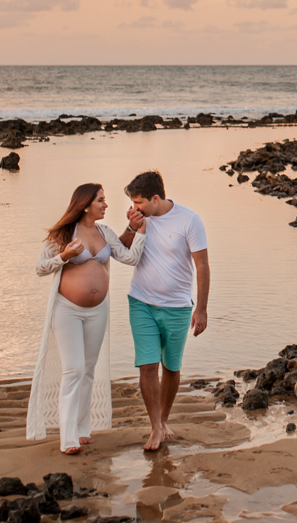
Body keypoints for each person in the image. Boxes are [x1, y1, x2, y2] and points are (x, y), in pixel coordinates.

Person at [25, 183, 147, 454]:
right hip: (67, 310)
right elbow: (40, 268)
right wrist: (64, 256)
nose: (106, 205)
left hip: (97, 311)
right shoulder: (64, 233)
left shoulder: (105, 233)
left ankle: (82, 429)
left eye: (104, 200)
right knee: (74, 370)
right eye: (101, 200)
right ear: (85, 204)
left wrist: (139, 231)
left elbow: (129, 258)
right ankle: (67, 438)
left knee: (89, 370)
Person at [121, 170, 210, 451]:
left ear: (155, 198)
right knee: (147, 365)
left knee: (171, 366)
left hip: (177, 306)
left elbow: (202, 266)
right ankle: (156, 427)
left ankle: (165, 418)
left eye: (139, 203)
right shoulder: (140, 220)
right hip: (141, 302)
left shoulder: (189, 220)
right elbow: (122, 250)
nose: (134, 208)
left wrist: (203, 309)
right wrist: (133, 226)